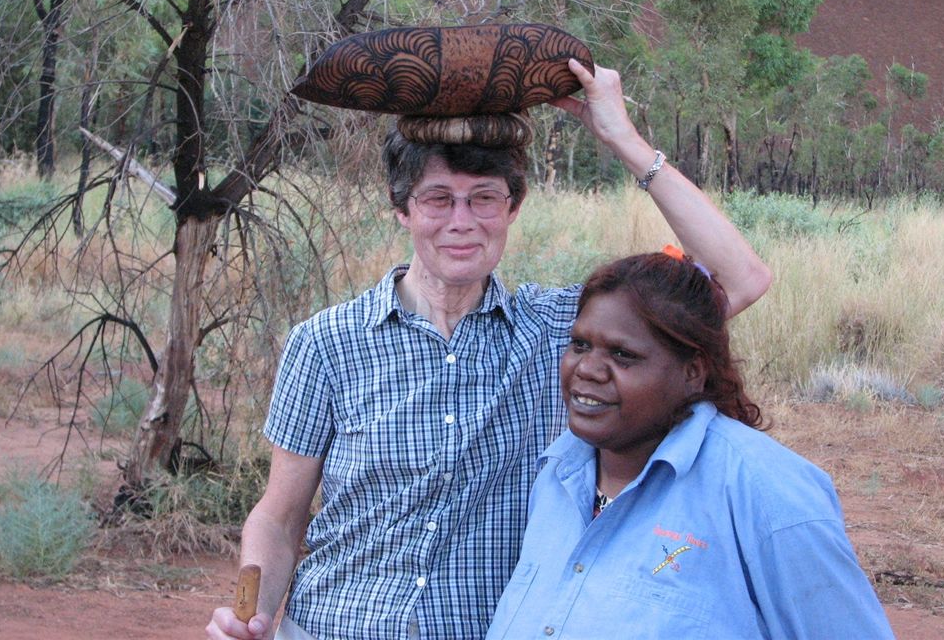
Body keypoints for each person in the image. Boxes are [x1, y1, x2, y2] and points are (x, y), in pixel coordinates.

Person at [206, 61, 772, 640]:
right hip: (332, 626)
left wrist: (622, 138)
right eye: (438, 199)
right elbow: (279, 517)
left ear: (512, 208)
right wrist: (251, 617)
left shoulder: (563, 332)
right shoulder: (326, 343)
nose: (462, 222)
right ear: (402, 209)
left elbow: (742, 278)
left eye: (484, 199)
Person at [485, 250, 895, 639]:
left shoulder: (765, 491)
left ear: (692, 373)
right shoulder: (558, 473)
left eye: (623, 354)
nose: (587, 369)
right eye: (580, 345)